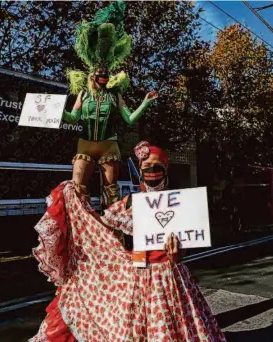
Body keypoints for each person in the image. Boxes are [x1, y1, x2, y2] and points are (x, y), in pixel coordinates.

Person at [29, 141, 226, 342]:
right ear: (140, 170)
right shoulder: (132, 202)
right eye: (146, 167)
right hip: (138, 274)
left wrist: (177, 254)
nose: (152, 171)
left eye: (157, 165)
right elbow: (103, 225)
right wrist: (79, 205)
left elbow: (184, 245)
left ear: (166, 168)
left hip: (168, 275)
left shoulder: (179, 201)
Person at [63, 1, 157, 209]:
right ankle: (81, 237)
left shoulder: (115, 95)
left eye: (106, 74)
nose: (104, 77)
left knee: (111, 192)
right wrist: (56, 111)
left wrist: (145, 102)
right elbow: (71, 118)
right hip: (85, 144)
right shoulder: (84, 93)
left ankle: (113, 234)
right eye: (100, 74)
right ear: (92, 75)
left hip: (109, 145)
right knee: (77, 189)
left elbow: (130, 119)